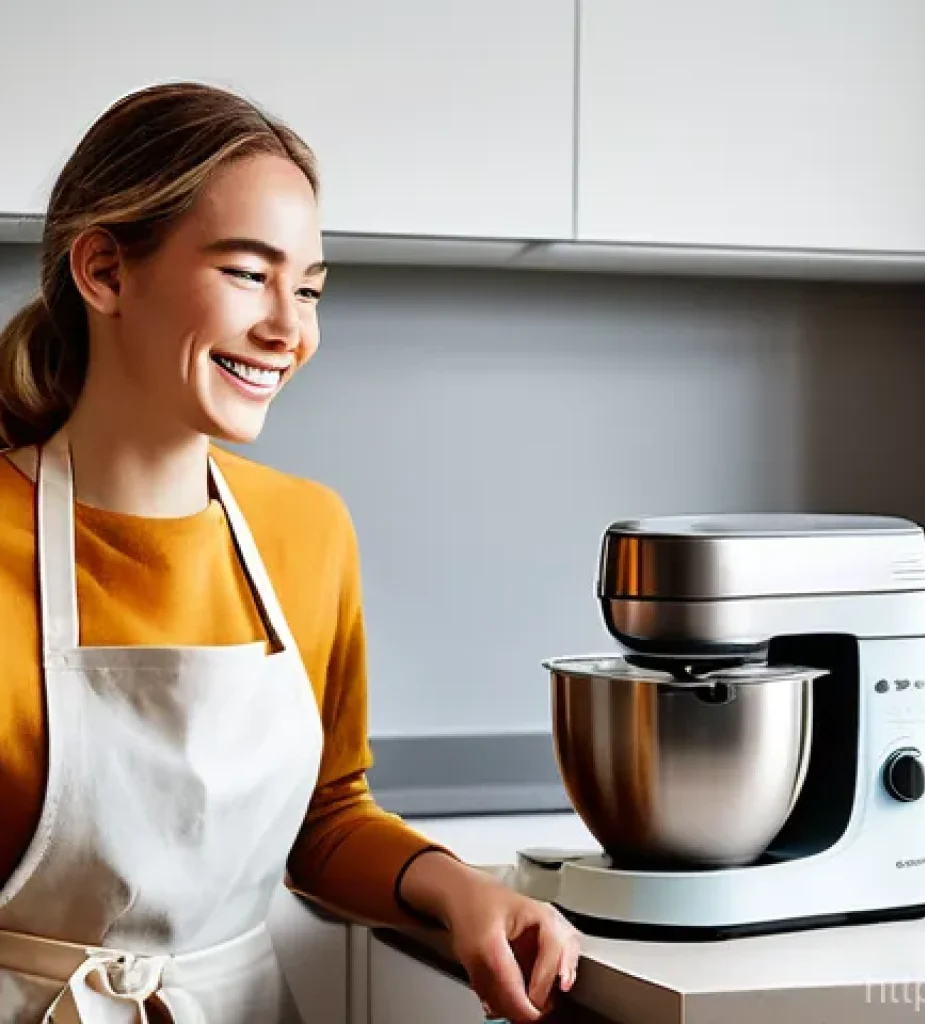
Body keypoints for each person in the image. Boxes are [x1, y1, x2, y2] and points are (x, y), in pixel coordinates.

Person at [0, 81, 580, 1023]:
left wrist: (460, 887)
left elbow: (327, 819)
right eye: (246, 273)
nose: (290, 329)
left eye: (307, 287)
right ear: (103, 272)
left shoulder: (308, 532)